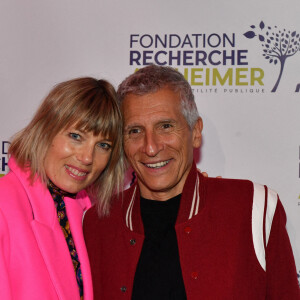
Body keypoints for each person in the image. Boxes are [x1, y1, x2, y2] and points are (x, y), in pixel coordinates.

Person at [83, 65, 300, 300]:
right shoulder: (96, 224)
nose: (151, 147)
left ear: (195, 132)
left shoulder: (253, 206)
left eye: (165, 126)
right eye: (135, 131)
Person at [0, 77, 124, 300]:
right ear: (46, 129)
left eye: (103, 145)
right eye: (76, 136)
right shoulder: (4, 204)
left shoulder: (88, 214)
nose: (87, 157)